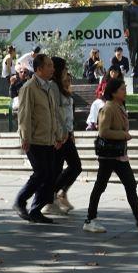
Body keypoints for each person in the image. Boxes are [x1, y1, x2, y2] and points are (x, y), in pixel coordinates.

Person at [82, 78, 138, 234]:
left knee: (129, 184)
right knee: (101, 186)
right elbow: (103, 132)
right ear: (113, 92)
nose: (125, 91)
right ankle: (90, 219)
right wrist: (123, 135)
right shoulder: (108, 108)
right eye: (123, 89)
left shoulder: (119, 106)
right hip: (110, 155)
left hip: (118, 155)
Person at [13, 53, 66, 224]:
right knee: (41, 172)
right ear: (39, 69)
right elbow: (24, 115)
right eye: (49, 65)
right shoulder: (29, 88)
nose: (52, 68)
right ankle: (20, 201)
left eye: (52, 65)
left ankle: (36, 210)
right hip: (34, 139)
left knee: (50, 176)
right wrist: (25, 137)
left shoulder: (49, 87)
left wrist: (59, 135)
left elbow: (53, 114)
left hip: (49, 139)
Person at [44, 56, 82, 216]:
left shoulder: (62, 86)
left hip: (67, 134)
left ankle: (54, 196)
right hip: (60, 135)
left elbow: (67, 113)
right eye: (64, 67)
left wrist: (71, 132)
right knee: (74, 166)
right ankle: (49, 197)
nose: (67, 70)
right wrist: (61, 134)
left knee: (62, 168)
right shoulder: (52, 86)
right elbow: (55, 112)